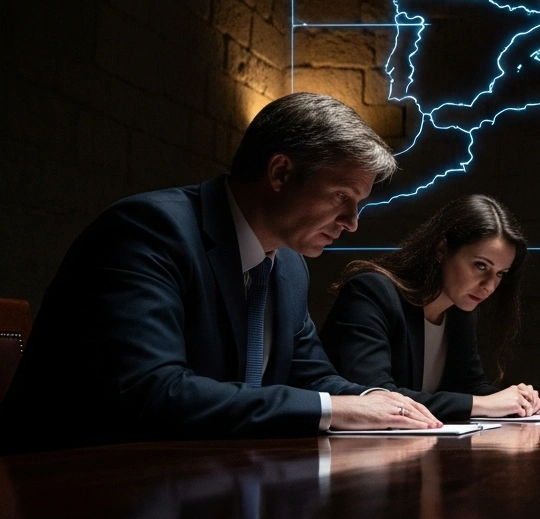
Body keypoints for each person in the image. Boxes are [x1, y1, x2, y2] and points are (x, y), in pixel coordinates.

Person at [0, 93, 442, 453]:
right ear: (280, 172)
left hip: (198, 479)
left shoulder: (287, 265)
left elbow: (312, 375)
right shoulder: (149, 230)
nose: (352, 221)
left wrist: (371, 399)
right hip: (68, 489)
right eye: (342, 196)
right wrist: (334, 409)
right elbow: (152, 392)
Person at [320, 195, 540, 420]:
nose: (489, 286)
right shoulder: (371, 292)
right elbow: (375, 396)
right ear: (442, 250)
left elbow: (470, 389)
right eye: (480, 265)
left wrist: (517, 401)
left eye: (500, 274)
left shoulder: (460, 312)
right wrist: (484, 403)